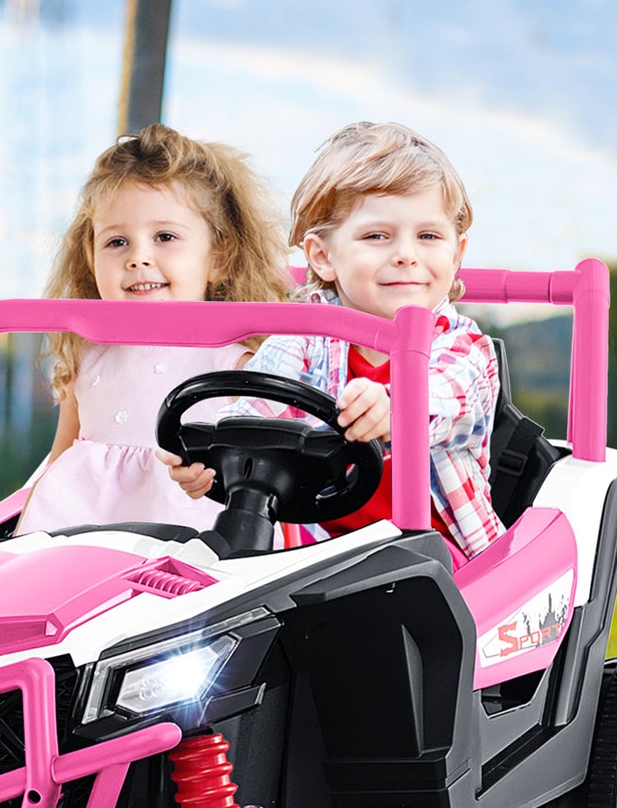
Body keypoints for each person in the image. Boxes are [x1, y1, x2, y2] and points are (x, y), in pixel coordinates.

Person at [163, 121, 503, 560]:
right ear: (323, 256)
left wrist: (396, 406)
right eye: (376, 236)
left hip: (439, 554)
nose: (406, 253)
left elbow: (447, 398)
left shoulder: (463, 347)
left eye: (428, 236)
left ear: (456, 254)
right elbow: (253, 414)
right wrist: (211, 462)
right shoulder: (304, 339)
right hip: (317, 549)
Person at [14, 124, 288, 536]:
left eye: (165, 237)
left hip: (184, 541)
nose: (139, 257)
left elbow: (262, 480)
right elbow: (59, 457)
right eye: (116, 242)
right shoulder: (88, 353)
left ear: (218, 258)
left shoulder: (237, 362)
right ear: (89, 258)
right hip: (72, 533)